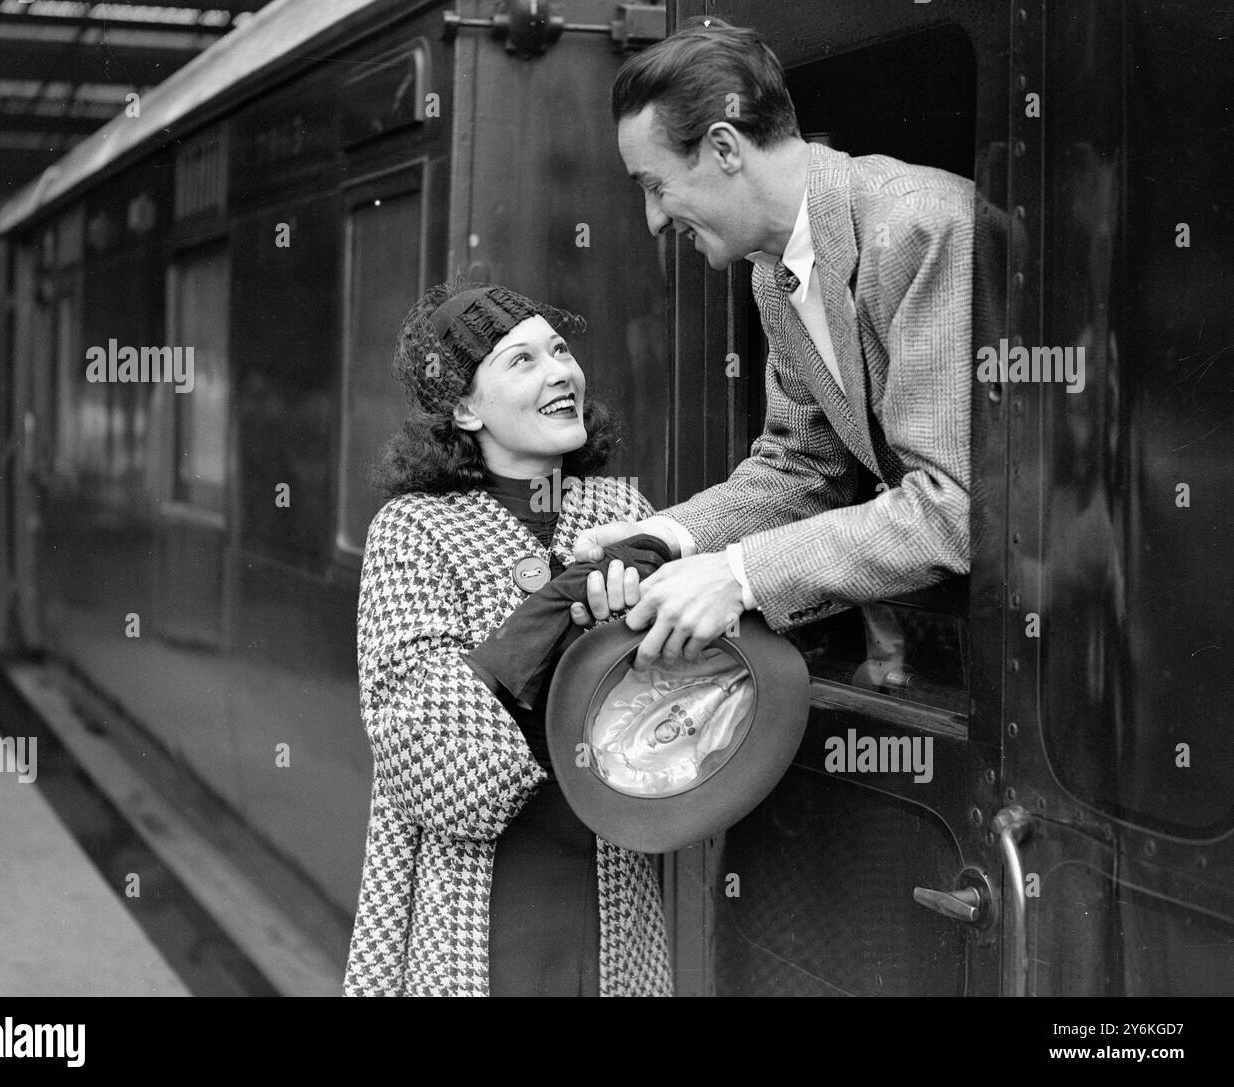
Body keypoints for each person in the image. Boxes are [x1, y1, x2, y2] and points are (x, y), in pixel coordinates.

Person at [574, 19, 974, 671]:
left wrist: (738, 574)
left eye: (655, 185)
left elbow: (954, 507)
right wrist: (670, 536)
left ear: (726, 147)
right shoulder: (772, 272)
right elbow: (802, 465)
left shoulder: (916, 230)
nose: (653, 219)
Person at [341, 281, 671, 997]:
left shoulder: (621, 507)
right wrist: (559, 602)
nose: (560, 372)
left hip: (611, 868)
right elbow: (420, 736)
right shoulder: (413, 529)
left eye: (559, 350)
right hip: (480, 888)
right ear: (463, 407)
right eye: (520, 361)